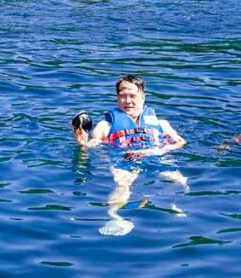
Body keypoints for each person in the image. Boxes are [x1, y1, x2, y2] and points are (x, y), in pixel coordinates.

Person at [72, 75, 187, 236]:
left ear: (143, 97)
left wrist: (155, 151)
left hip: (157, 156)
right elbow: (93, 145)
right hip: (124, 159)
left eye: (132, 96)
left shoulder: (161, 124)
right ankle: (114, 216)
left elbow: (180, 142)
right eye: (122, 96)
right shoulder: (106, 125)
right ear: (117, 98)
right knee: (123, 184)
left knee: (181, 181)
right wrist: (82, 143)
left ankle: (173, 204)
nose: (128, 101)